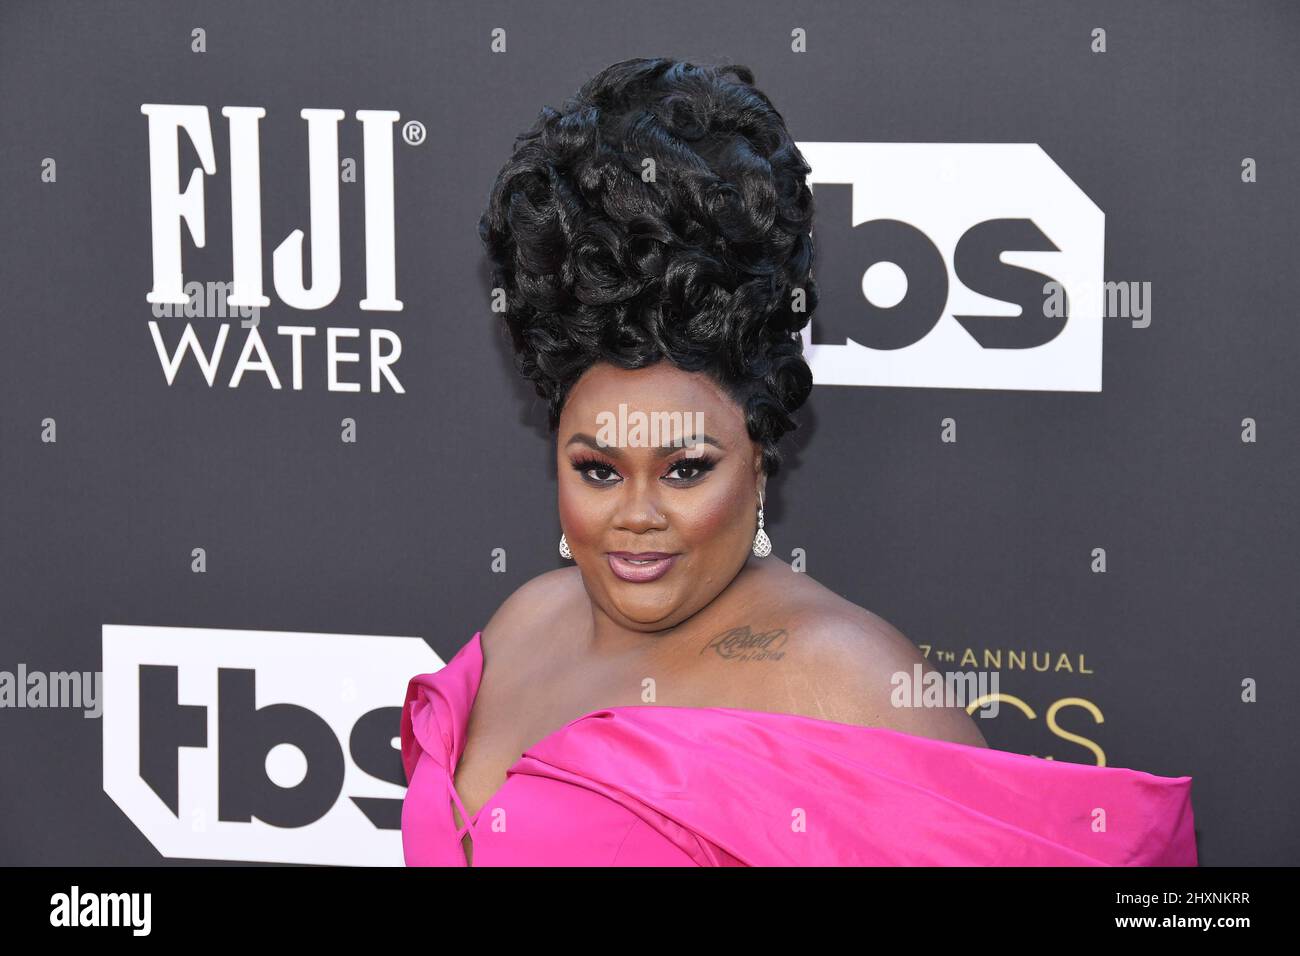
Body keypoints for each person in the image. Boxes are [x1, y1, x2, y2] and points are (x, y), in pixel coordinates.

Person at [400, 57, 1197, 866]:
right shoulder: (524, 624)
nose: (636, 516)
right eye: (598, 470)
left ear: (761, 458)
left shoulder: (842, 680)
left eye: (685, 469)